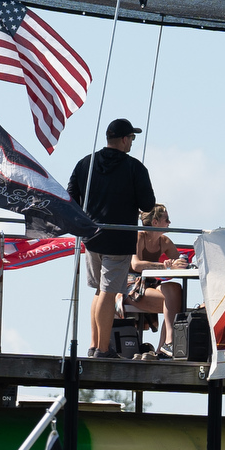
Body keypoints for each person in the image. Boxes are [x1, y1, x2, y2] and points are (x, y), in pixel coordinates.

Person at [67, 117, 156, 357]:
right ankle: (104, 349)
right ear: (125, 139)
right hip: (119, 238)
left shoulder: (84, 163)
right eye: (132, 139)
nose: (132, 144)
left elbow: (70, 198)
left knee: (98, 291)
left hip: (91, 237)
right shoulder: (135, 168)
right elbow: (148, 205)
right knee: (107, 292)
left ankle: (95, 345)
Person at [131, 204, 189, 356]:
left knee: (175, 289)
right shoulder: (139, 236)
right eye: (166, 219)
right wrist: (165, 267)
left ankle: (165, 346)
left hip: (150, 284)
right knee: (174, 300)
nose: (169, 222)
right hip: (131, 286)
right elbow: (135, 264)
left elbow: (181, 262)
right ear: (155, 222)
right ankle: (167, 344)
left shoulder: (165, 241)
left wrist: (180, 264)